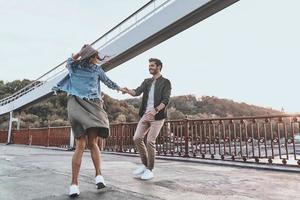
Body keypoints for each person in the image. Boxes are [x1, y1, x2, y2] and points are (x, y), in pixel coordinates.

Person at [53, 44, 127, 197]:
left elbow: (109, 83)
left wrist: (122, 89)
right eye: (93, 57)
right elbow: (68, 61)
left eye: (95, 57)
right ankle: (75, 183)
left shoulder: (93, 69)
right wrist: (80, 52)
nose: (95, 60)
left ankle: (97, 176)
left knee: (90, 143)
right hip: (77, 104)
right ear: (88, 57)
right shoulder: (75, 66)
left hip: (92, 105)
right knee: (83, 143)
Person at [123, 58, 172, 180]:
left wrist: (155, 110)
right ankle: (145, 165)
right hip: (145, 114)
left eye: (152, 65)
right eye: (149, 65)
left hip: (158, 116)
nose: (150, 67)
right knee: (137, 138)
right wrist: (127, 90)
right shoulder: (147, 81)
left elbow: (166, 100)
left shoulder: (166, 82)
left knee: (150, 141)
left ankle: (150, 169)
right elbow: (136, 92)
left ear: (159, 67)